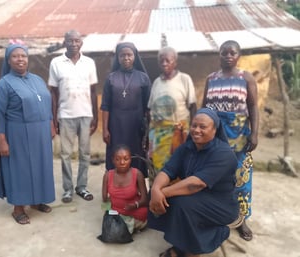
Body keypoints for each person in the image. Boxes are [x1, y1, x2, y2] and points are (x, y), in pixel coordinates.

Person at [148, 108, 239, 257]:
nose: (196, 130)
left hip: (221, 205)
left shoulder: (224, 154)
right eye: (194, 125)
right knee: (160, 194)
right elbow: (168, 170)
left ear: (214, 130)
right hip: (195, 197)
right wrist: (155, 189)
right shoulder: (186, 148)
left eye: (203, 127)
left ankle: (192, 249)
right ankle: (180, 245)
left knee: (182, 205)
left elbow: (196, 184)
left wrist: (160, 193)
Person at [0, 43, 56, 225]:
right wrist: (2, 141)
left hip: (41, 133)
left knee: (40, 167)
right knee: (20, 170)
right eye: (15, 56)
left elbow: (47, 104)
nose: (20, 59)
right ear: (8, 60)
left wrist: (51, 124)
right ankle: (18, 208)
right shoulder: (4, 84)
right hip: (17, 133)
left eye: (23, 56)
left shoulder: (38, 79)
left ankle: (36, 200)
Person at [202, 40, 259, 241]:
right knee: (215, 177)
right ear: (219, 55)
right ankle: (217, 216)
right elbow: (205, 109)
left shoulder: (246, 77)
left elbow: (253, 107)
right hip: (216, 136)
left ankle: (241, 220)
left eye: (232, 53)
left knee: (241, 178)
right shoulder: (211, 79)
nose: (228, 56)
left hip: (240, 136)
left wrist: (255, 133)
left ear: (238, 55)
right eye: (224, 53)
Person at [48, 30, 98, 203]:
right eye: (70, 40)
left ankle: (82, 187)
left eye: (77, 40)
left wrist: (96, 117)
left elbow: (93, 91)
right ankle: (68, 190)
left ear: (81, 43)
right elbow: (53, 93)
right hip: (66, 115)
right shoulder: (56, 63)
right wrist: (54, 118)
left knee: (85, 154)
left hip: (85, 114)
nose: (74, 43)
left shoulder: (89, 63)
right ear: (65, 42)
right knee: (65, 154)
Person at [147, 46, 197, 184]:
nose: (164, 63)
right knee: (156, 168)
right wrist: (147, 137)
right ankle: (157, 199)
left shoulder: (184, 79)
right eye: (161, 61)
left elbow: (193, 107)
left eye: (167, 60)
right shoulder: (157, 82)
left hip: (178, 134)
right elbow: (150, 111)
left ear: (175, 62)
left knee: (178, 168)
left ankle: (175, 201)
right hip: (157, 135)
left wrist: (193, 132)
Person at [100, 42, 151, 176]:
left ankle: (136, 188)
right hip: (116, 126)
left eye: (129, 55)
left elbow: (148, 107)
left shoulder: (143, 78)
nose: (126, 58)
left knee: (136, 154)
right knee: (116, 155)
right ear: (118, 57)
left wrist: (148, 130)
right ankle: (117, 188)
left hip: (136, 126)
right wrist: (105, 129)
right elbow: (105, 106)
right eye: (122, 55)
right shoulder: (111, 78)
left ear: (135, 56)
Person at [102, 144, 148, 233]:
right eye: (118, 159)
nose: (122, 162)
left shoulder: (137, 174)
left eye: (126, 159)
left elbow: (145, 199)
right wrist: (107, 214)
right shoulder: (108, 175)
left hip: (133, 211)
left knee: (145, 212)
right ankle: (128, 227)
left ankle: (126, 226)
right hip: (116, 210)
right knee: (111, 221)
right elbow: (105, 199)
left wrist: (135, 205)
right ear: (113, 160)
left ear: (130, 159)